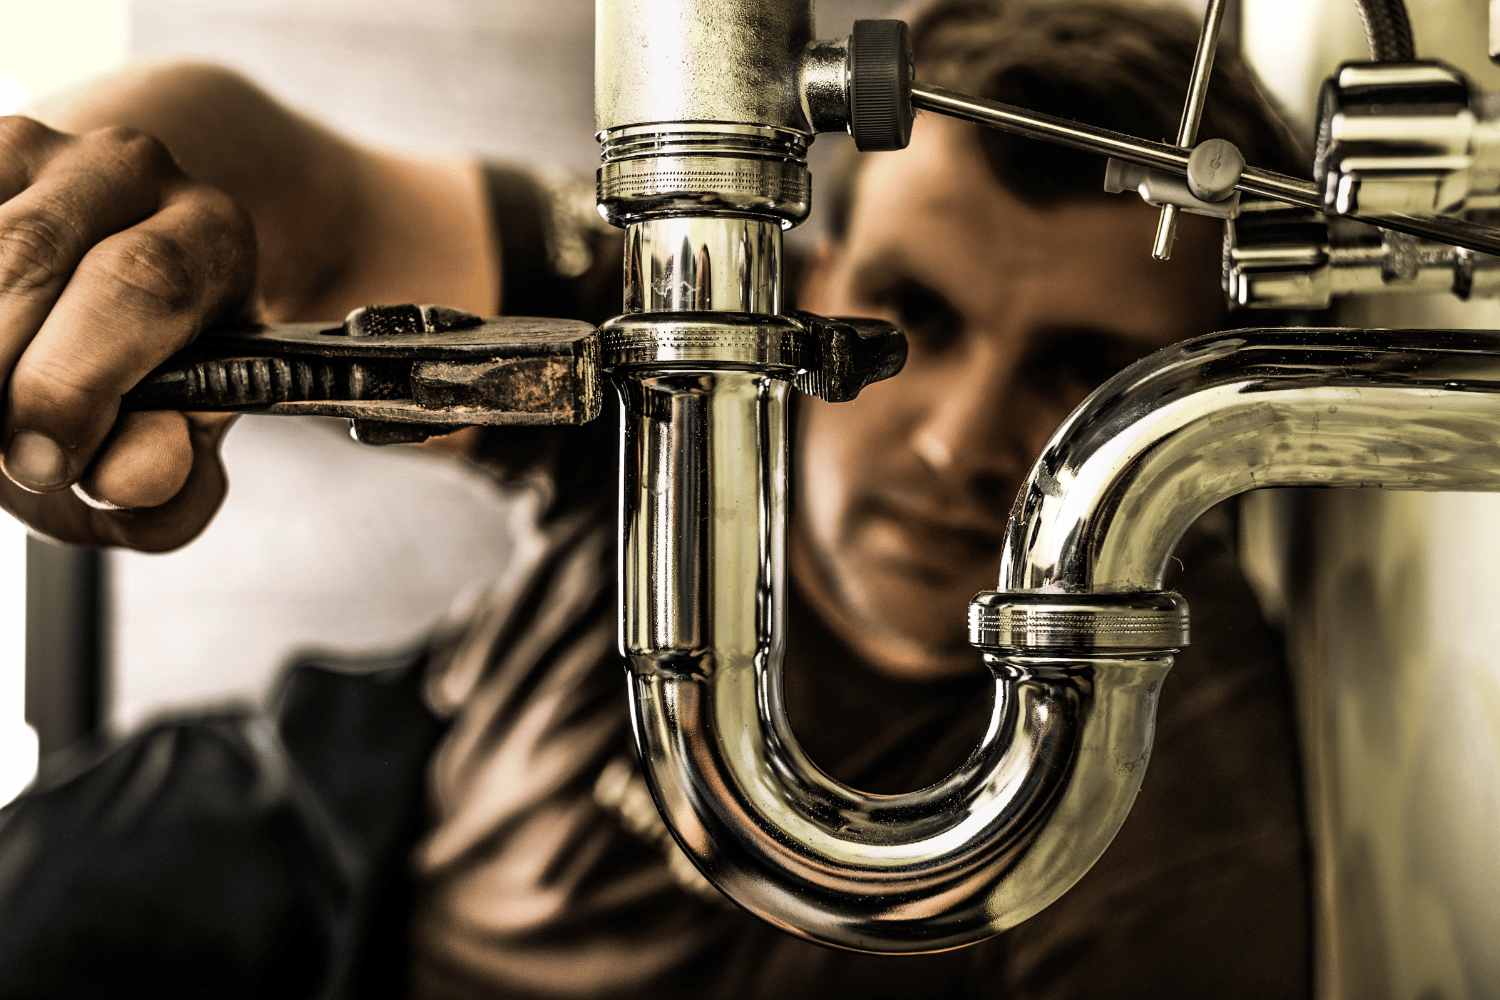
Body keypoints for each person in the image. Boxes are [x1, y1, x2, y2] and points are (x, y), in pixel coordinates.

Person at [0, 1, 1313, 997]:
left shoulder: (1161, 791)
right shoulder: (703, 341)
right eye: (915, 315)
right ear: (816, 280)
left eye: (1084, 373)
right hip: (332, 832)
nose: (956, 443)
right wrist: (77, 227)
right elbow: (288, 185)